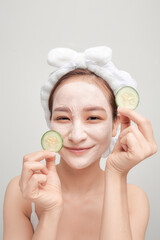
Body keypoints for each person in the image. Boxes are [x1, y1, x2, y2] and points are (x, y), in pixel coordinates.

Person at [3, 46, 157, 240]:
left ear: (116, 124)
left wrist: (117, 173)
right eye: (63, 118)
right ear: (49, 122)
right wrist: (51, 212)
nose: (76, 136)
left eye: (93, 118)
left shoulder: (134, 199)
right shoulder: (21, 192)